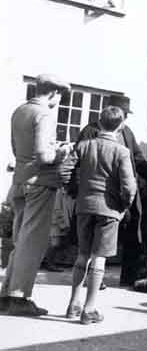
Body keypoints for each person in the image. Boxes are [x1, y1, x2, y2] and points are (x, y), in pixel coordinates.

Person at [0, 74, 71, 316]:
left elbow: (16, 148)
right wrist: (62, 152)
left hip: (19, 181)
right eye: (59, 96)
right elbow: (44, 156)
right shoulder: (44, 114)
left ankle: (6, 294)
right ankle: (19, 297)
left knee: (19, 239)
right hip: (39, 184)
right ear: (53, 93)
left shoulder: (20, 111)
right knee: (33, 242)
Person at [77, 94, 147, 286]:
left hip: (125, 193)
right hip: (101, 195)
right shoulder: (90, 131)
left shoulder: (127, 132)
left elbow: (138, 159)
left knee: (133, 231)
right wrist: (75, 191)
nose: (125, 118)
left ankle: (129, 277)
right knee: (94, 239)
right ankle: (92, 278)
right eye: (124, 113)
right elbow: (77, 164)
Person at [66, 106, 137, 324]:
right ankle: (89, 309)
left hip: (84, 206)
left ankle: (73, 305)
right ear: (121, 125)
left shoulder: (84, 145)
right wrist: (124, 207)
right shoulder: (121, 151)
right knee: (99, 259)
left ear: (99, 122)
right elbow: (128, 187)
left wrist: (73, 192)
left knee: (82, 255)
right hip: (109, 210)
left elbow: (64, 169)